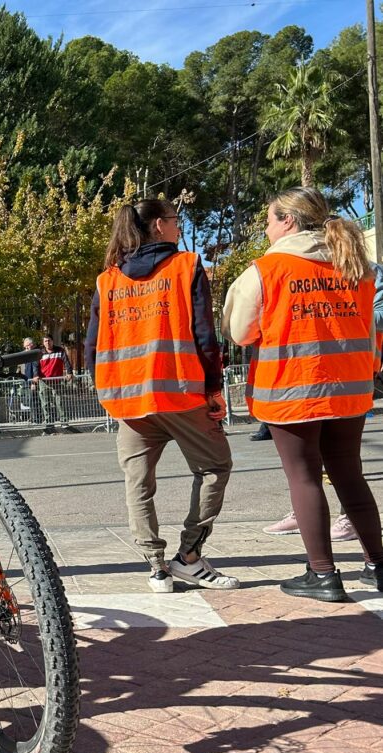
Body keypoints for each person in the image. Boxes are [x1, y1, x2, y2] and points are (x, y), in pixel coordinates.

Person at [222, 186, 383, 601]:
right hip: (349, 389)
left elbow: (240, 332)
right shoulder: (355, 265)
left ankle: (323, 574)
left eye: (271, 219)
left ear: (288, 221)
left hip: (291, 390)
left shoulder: (266, 270)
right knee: (350, 476)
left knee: (305, 477)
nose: (267, 227)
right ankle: (378, 566)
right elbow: (369, 328)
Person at [87, 198, 239, 593]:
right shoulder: (185, 267)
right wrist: (213, 389)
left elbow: (92, 348)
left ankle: (155, 567)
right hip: (182, 393)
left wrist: (108, 388)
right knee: (214, 467)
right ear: (158, 225)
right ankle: (189, 556)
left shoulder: (108, 281)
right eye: (175, 220)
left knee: (138, 484)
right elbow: (205, 335)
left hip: (129, 400)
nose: (178, 227)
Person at [35, 334, 72, 432]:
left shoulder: (60, 350)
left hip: (57, 380)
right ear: (43, 343)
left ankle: (64, 421)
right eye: (45, 341)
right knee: (45, 403)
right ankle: (49, 423)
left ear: (52, 341)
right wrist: (36, 375)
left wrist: (69, 372)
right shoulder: (40, 353)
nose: (48, 343)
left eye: (49, 340)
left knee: (60, 401)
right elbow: (36, 366)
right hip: (44, 381)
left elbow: (67, 362)